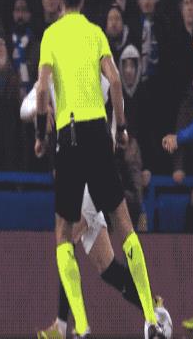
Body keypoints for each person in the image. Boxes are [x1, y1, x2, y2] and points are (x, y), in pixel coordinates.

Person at [35, 0, 170, 338]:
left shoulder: (51, 36)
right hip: (97, 133)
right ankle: (152, 315)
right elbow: (115, 80)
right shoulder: (95, 34)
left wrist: (41, 134)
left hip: (69, 136)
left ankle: (79, 327)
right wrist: (121, 128)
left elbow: (42, 89)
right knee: (122, 228)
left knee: (63, 234)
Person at [21, 54, 170, 339]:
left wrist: (114, 134)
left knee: (66, 239)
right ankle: (153, 305)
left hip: (88, 179)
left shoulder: (90, 77)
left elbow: (115, 92)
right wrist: (43, 108)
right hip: (70, 181)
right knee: (106, 266)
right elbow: (24, 107)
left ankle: (61, 327)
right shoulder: (49, 80)